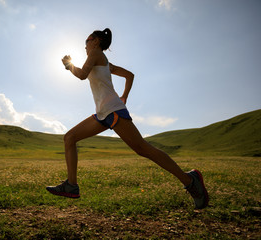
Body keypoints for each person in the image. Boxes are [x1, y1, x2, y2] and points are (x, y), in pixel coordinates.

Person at [46, 28, 209, 209]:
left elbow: (83, 74)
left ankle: (190, 180)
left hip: (113, 110)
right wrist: (124, 96)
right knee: (70, 138)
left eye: (87, 40)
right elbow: (130, 75)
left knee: (143, 149)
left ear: (96, 41)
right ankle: (71, 185)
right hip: (103, 113)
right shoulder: (105, 62)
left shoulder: (95, 53)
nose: (85, 45)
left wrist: (69, 65)